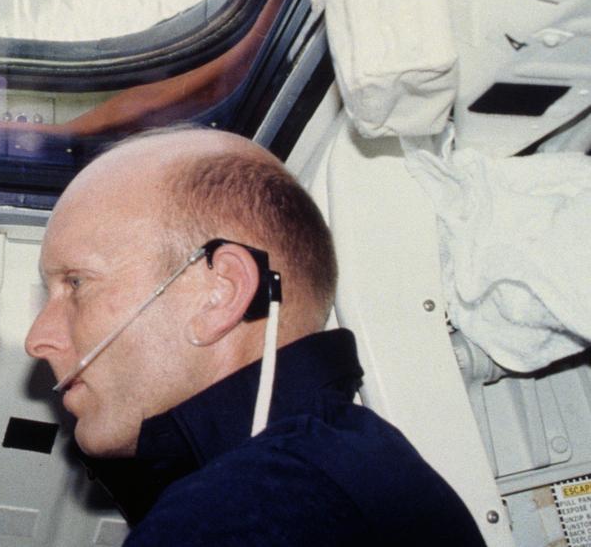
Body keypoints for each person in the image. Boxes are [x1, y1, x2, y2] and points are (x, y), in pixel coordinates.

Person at [24, 128, 486, 546]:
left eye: (76, 283)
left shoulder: (246, 511)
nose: (37, 340)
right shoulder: (347, 469)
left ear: (220, 293)